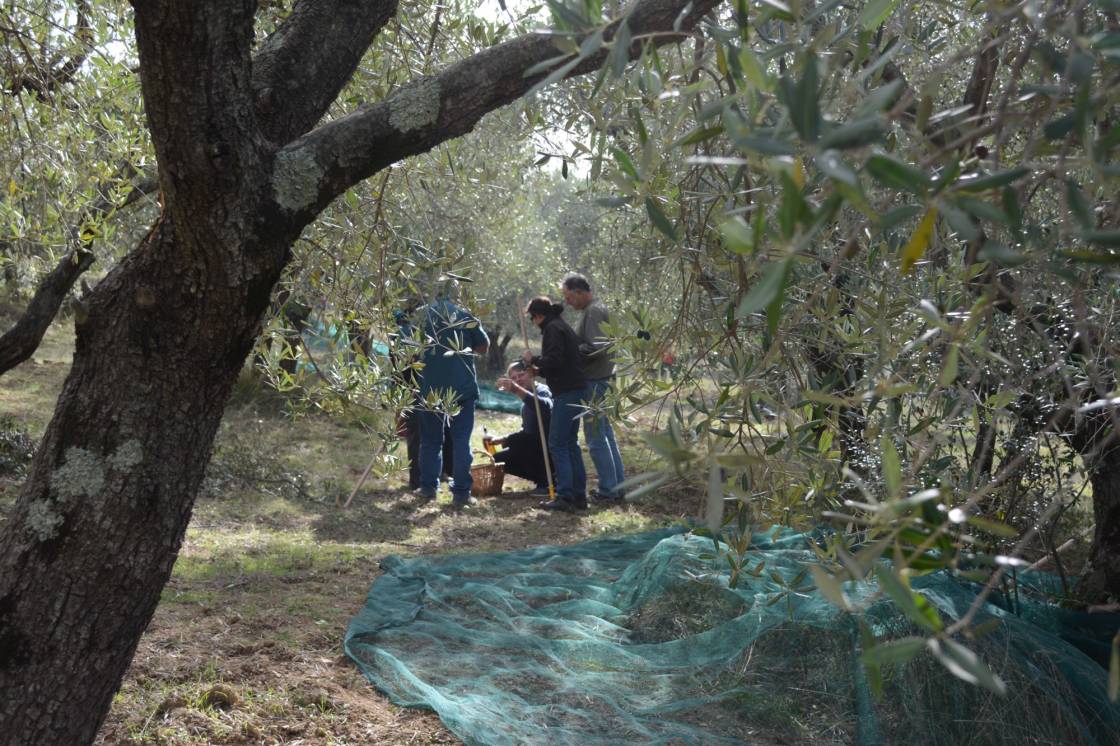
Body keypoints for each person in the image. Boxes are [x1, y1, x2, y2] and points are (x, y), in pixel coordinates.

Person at [415, 281, 489, 509]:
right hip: (461, 389)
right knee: (460, 442)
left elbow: (407, 348)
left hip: (429, 390)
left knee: (429, 441)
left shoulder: (421, 315)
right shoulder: (465, 316)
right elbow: (484, 346)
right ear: (457, 293)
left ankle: (428, 489)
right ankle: (461, 494)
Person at [561, 272, 627, 502]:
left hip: (596, 381)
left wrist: (571, 352)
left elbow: (597, 347)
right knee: (605, 434)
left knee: (596, 438)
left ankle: (609, 490)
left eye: (569, 296)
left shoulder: (594, 311)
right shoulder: (597, 309)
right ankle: (617, 488)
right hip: (604, 378)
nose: (567, 301)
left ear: (580, 292)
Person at [521, 296, 588, 512]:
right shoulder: (561, 326)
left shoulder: (552, 329)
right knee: (570, 443)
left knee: (558, 443)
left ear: (539, 316)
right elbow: (560, 361)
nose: (533, 322)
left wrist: (534, 361)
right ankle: (579, 496)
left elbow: (555, 360)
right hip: (577, 388)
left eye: (532, 318)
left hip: (566, 392)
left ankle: (565, 496)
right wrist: (540, 369)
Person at [490, 361, 553, 495]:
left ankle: (548, 482)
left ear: (531, 374)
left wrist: (517, 390)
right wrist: (503, 439)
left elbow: (545, 408)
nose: (518, 379)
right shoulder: (524, 403)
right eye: (514, 378)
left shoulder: (542, 390)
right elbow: (527, 430)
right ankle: (541, 479)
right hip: (534, 448)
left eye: (521, 375)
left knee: (520, 441)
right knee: (498, 459)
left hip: (550, 449)